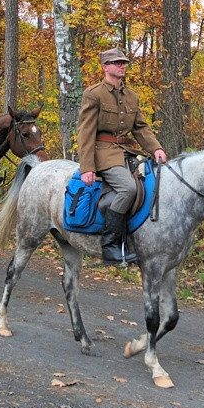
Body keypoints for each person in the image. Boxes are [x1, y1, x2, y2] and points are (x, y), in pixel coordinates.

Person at [76, 47, 168, 265]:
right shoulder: (94, 94)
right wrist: (87, 167)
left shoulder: (131, 96)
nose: (122, 65)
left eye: (124, 62)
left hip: (127, 152)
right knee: (128, 188)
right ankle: (110, 246)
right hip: (102, 153)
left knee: (153, 185)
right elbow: (85, 132)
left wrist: (156, 148)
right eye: (117, 62)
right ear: (105, 67)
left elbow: (141, 128)